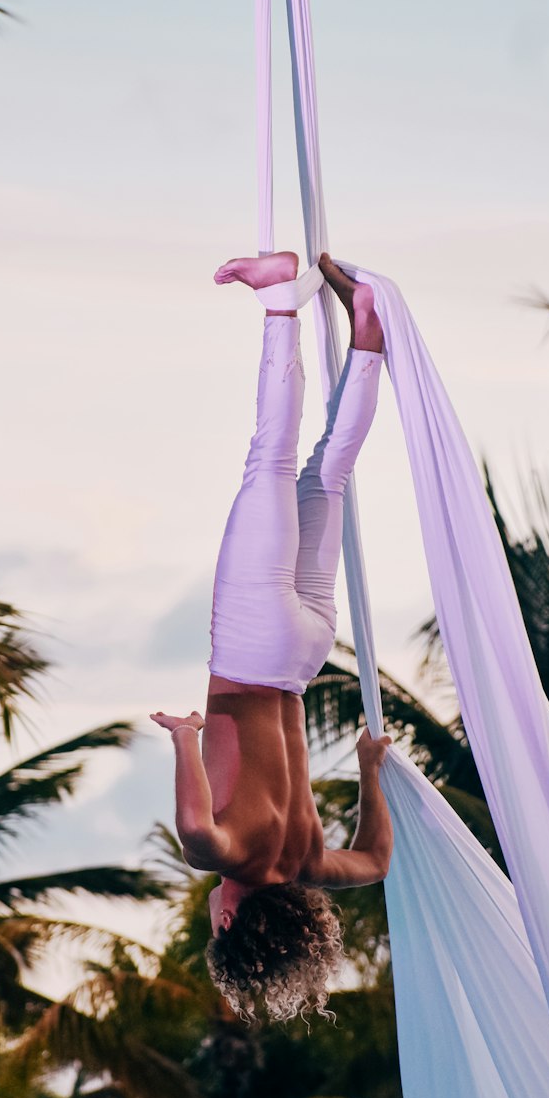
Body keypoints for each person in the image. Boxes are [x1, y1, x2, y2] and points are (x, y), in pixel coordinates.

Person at [151, 250, 393, 1022]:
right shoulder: (225, 854)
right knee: (270, 463)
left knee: (329, 475)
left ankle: (368, 336)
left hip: (305, 655)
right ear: (227, 920)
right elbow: (193, 829)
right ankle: (281, 303)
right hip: (253, 654)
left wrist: (369, 769)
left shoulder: (311, 864)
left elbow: (380, 861)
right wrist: (184, 739)